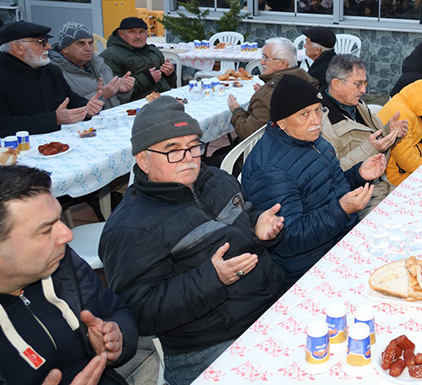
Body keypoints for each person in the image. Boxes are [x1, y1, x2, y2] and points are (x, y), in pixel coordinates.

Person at [99, 98, 286, 385]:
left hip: (270, 306)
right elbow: (138, 311)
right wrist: (213, 279)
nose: (188, 157)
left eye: (194, 145)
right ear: (143, 159)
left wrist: (260, 224)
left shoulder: (217, 179)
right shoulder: (129, 228)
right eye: (172, 150)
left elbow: (243, 217)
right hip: (208, 345)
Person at [0, 165, 138, 385]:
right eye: (45, 230)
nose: (67, 234)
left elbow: (115, 309)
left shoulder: (60, 263)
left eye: (59, 219)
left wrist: (117, 341)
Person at [241, 76, 386, 287]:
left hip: (341, 237)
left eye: (318, 110)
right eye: (304, 114)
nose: (316, 120)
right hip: (308, 266)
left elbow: (328, 188)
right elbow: (288, 240)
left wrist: (359, 175)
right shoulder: (270, 169)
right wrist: (342, 210)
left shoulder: (312, 140)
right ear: (281, 122)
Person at [320, 55, 408, 216]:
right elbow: (332, 174)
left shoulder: (356, 104)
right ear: (336, 84)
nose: (364, 90)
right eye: (358, 84)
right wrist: (371, 148)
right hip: (358, 201)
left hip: (383, 187)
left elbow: (375, 138)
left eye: (364, 83)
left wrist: (390, 131)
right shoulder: (320, 121)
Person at [0, 21, 104, 137]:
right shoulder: (0, 77)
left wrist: (87, 107)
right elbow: (1, 125)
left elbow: (71, 100)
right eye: (41, 42)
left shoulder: (51, 71)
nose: (48, 46)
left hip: (60, 142)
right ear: (18, 48)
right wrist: (53, 119)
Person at [228, 37, 318, 140]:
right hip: (299, 144)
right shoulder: (306, 80)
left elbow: (248, 133)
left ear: (282, 64)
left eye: (266, 58)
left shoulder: (268, 95)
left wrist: (236, 110)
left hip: (269, 151)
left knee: (216, 155)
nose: (261, 62)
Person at [50, 21, 135, 110]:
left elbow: (118, 103)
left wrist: (122, 91)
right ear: (65, 48)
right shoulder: (54, 72)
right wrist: (102, 96)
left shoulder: (100, 64)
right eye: (80, 44)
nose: (88, 48)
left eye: (90, 43)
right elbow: (64, 112)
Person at [378, 79, 422, 185]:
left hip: (398, 167)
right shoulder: (402, 115)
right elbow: (406, 161)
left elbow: (414, 145)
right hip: (394, 175)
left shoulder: (407, 105)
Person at [99, 17, 176, 101]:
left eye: (142, 32)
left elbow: (170, 84)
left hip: (164, 97)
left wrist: (169, 74)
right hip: (136, 104)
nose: (138, 36)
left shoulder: (153, 51)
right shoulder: (109, 56)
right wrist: (146, 79)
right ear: (121, 34)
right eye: (131, 32)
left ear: (147, 34)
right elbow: (114, 93)